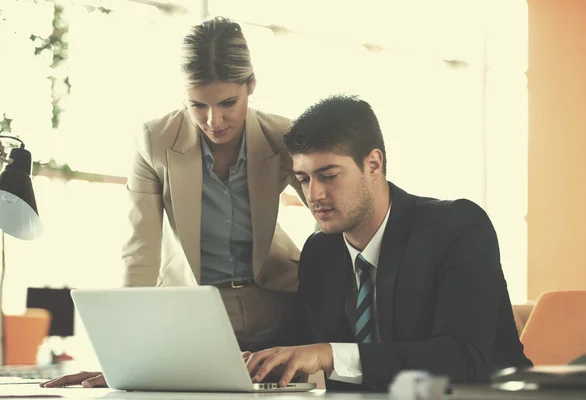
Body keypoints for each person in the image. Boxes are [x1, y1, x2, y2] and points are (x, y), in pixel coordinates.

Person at [42, 16, 304, 388]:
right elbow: (140, 255)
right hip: (192, 323)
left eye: (228, 102)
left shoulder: (285, 137)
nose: (214, 120)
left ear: (252, 86)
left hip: (280, 315)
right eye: (198, 105)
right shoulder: (155, 141)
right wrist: (125, 356)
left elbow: (332, 217)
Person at [245, 95, 533, 392]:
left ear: (373, 164)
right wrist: (253, 362)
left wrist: (329, 354)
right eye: (303, 179)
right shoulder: (320, 252)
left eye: (328, 176)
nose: (314, 194)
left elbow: (461, 358)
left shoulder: (458, 227)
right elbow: (297, 343)